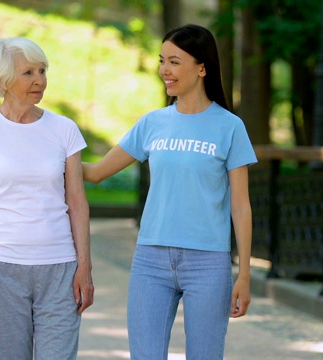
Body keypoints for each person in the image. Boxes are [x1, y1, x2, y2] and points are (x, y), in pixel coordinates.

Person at [82, 24, 257, 359]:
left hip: (208, 263)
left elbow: (241, 206)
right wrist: (44, 145)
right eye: (162, 60)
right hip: (151, 260)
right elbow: (95, 173)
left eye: (174, 62)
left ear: (202, 67)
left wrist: (244, 276)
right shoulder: (152, 123)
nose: (164, 70)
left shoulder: (230, 127)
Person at [0, 37, 94, 359]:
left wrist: (84, 268)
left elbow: (77, 203)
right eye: (28, 73)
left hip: (60, 268)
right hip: (1, 269)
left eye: (43, 71)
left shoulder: (64, 129)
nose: (39, 80)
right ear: (4, 79)